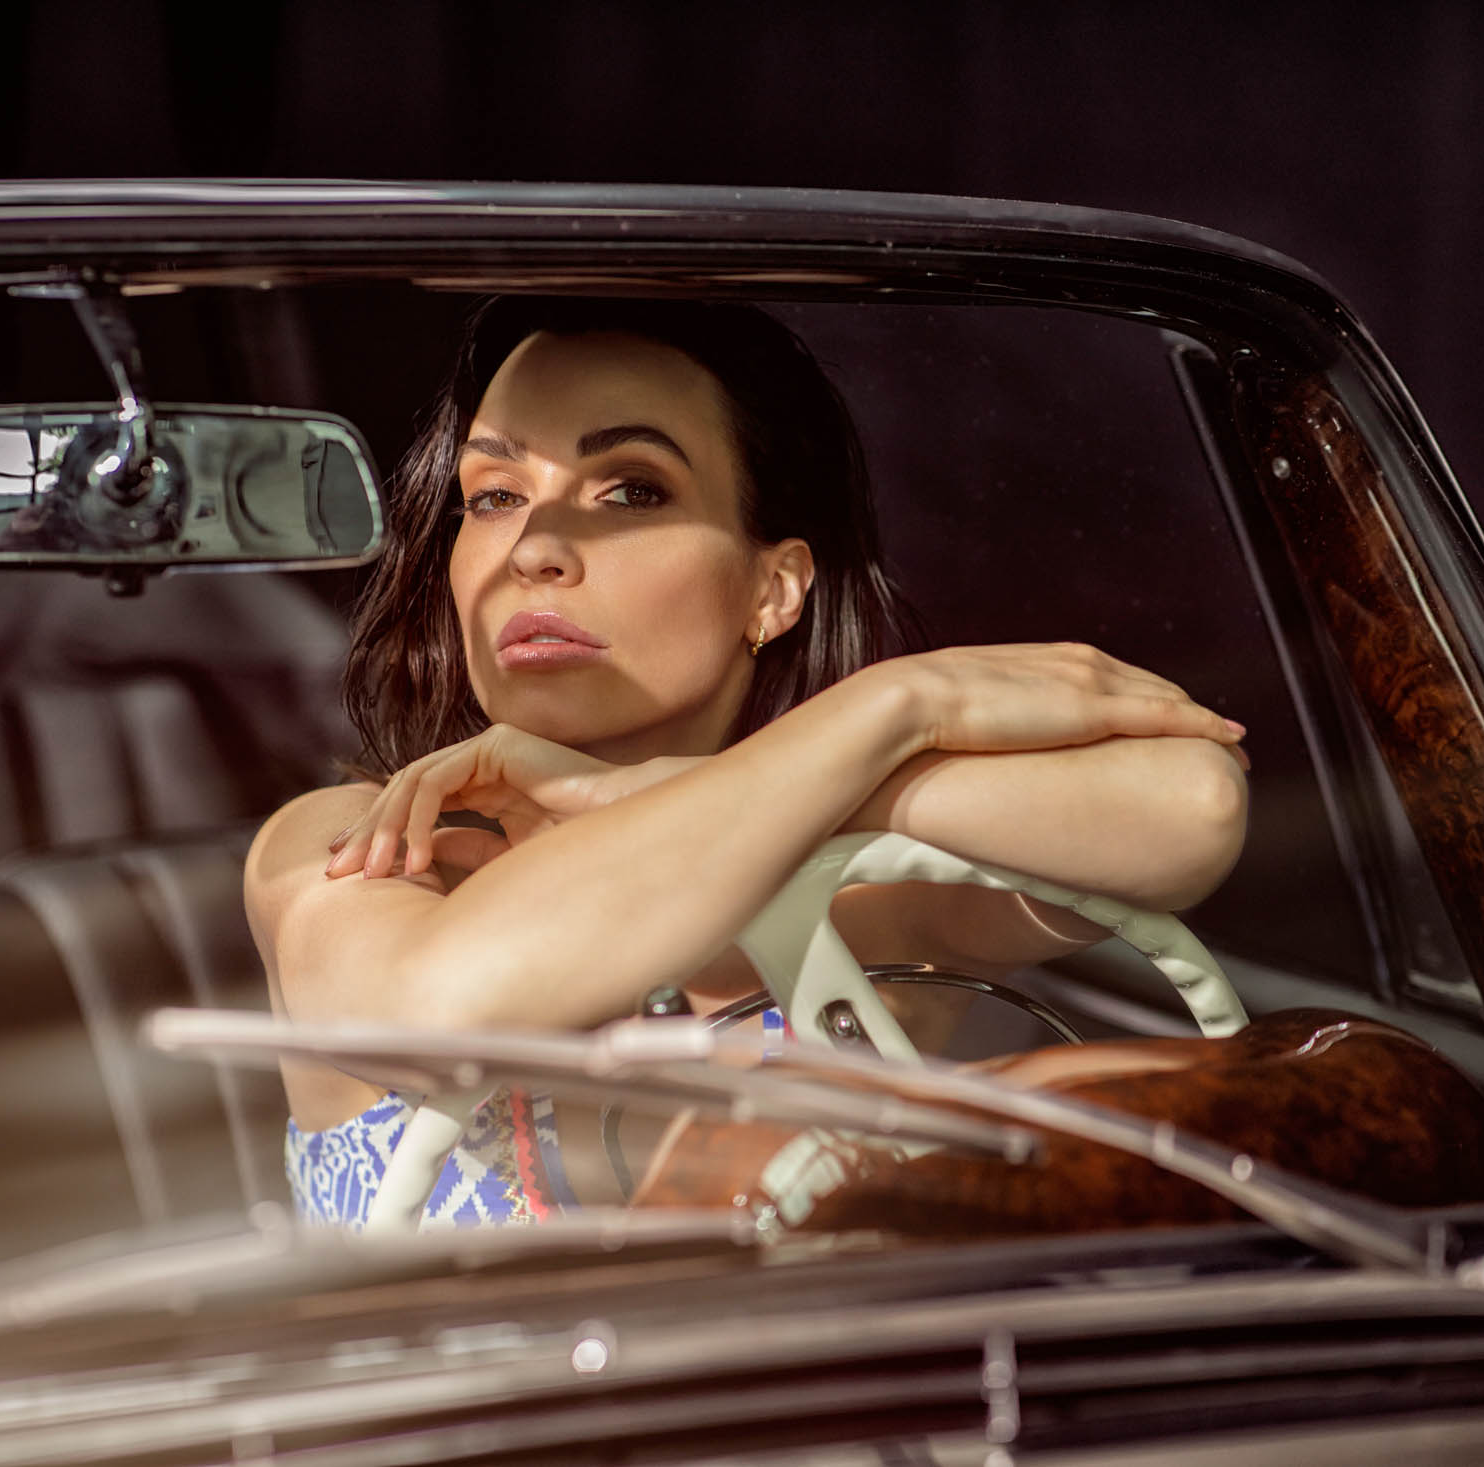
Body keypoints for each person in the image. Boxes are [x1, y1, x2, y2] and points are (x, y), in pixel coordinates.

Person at [244, 297, 1249, 1226]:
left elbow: (1191, 807)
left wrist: (651, 790)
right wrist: (897, 706)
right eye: (495, 493)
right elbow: (443, 1006)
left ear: (774, 590)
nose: (536, 545)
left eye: (632, 489)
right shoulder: (346, 848)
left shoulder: (864, 898)